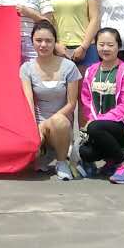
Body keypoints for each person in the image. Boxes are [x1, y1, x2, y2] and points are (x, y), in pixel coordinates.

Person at [77, 28, 124, 184]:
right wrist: (94, 120)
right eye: (101, 44)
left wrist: (99, 121)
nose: (105, 49)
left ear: (119, 46)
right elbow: (86, 101)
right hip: (99, 127)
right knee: (84, 152)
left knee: (95, 128)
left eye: (110, 45)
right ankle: (112, 161)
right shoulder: (91, 71)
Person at [20, 20, 81, 180]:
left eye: (48, 41)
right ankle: (43, 153)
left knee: (58, 122)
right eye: (39, 40)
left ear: (55, 42)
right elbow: (28, 101)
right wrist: (34, 129)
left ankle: (61, 162)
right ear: (32, 41)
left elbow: (72, 103)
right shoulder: (26, 68)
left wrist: (48, 124)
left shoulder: (69, 67)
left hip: (61, 126)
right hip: (37, 125)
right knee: (28, 150)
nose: (43, 45)